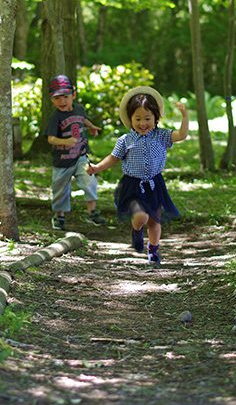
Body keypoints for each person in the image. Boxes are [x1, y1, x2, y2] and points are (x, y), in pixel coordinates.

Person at [88, 87, 188, 265]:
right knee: (141, 217)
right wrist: (97, 168)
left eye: (148, 118)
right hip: (132, 185)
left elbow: (181, 135)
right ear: (130, 119)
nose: (143, 123)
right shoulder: (126, 140)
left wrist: (184, 117)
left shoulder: (162, 136)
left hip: (155, 184)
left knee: (155, 221)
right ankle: (136, 231)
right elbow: (113, 158)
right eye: (138, 119)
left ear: (156, 118)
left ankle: (153, 250)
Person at [45, 74, 107, 231]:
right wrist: (65, 142)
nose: (62, 101)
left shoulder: (79, 109)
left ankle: (92, 212)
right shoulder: (55, 117)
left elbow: (82, 119)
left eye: (65, 97)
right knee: (60, 189)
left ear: (73, 95)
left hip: (80, 157)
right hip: (62, 161)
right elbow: (51, 139)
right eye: (57, 98)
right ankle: (59, 216)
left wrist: (91, 126)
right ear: (52, 100)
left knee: (89, 180)